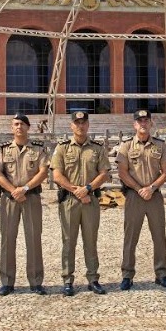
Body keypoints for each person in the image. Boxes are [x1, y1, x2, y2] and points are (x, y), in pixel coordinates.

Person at [50, 111, 111, 296]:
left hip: (90, 200)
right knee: (68, 241)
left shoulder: (97, 148)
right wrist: (76, 190)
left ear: (88, 125)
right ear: (71, 126)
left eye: (83, 122)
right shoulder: (62, 148)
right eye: (77, 123)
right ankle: (67, 280)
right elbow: (57, 175)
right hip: (69, 201)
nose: (80, 126)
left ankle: (93, 278)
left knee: (90, 241)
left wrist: (88, 189)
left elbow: (104, 174)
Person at [0, 113, 50, 296]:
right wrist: (13, 190)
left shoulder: (38, 149)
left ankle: (35, 281)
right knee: (7, 239)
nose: (19, 127)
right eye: (16, 124)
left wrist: (24, 189)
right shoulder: (2, 150)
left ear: (28, 127)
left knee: (33, 239)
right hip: (9, 199)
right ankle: (7, 282)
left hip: (30, 197)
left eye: (22, 124)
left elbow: (42, 172)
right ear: (12, 128)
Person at [116, 110, 166, 290]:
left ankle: (162, 274)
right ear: (134, 124)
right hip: (134, 195)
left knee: (159, 236)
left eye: (146, 120)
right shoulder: (125, 146)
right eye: (139, 121)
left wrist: (152, 188)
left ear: (151, 124)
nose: (143, 124)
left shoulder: (160, 145)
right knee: (130, 237)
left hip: (154, 195)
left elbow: (165, 172)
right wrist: (139, 189)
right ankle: (127, 275)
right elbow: (122, 173)